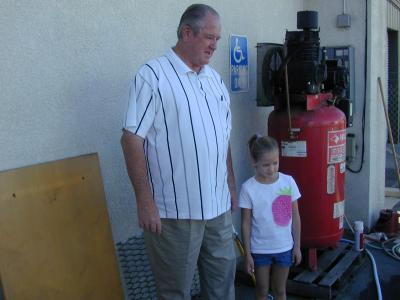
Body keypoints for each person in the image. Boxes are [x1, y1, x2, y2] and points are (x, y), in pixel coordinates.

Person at [121, 4, 237, 300]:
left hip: (218, 209)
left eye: (217, 39)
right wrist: (145, 203)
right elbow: (131, 140)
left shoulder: (215, 81)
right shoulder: (153, 76)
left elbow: (223, 139)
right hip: (174, 213)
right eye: (210, 37)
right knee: (175, 292)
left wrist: (231, 187)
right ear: (187, 33)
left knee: (223, 286)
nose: (214, 45)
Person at [239, 134, 301, 300]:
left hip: (284, 247)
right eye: (266, 165)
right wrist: (248, 254)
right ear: (254, 162)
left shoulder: (288, 182)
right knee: (261, 290)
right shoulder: (248, 188)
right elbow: (245, 223)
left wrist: (297, 246)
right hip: (259, 250)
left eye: (275, 163)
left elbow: (295, 216)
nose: (272, 169)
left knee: (280, 290)